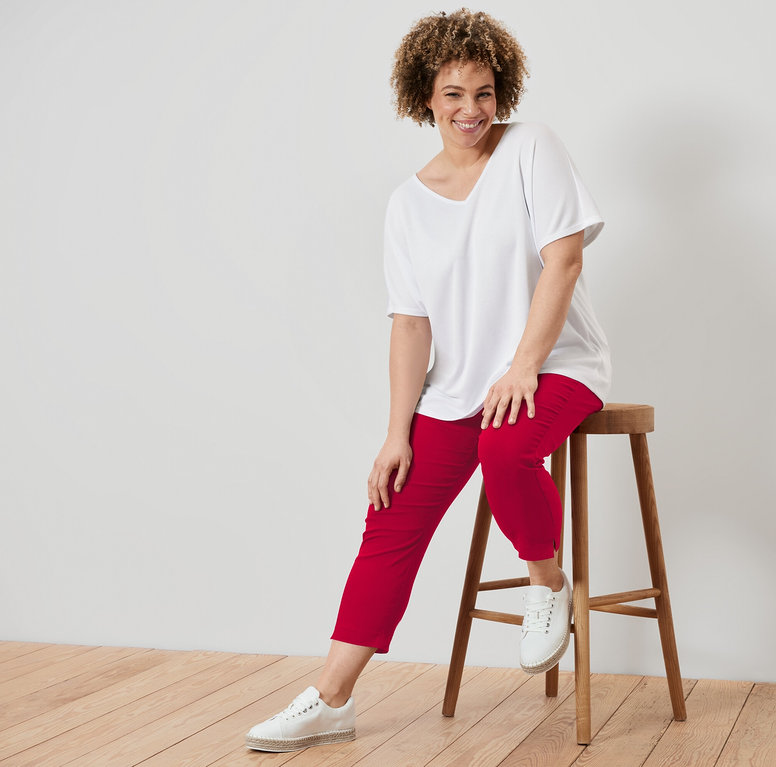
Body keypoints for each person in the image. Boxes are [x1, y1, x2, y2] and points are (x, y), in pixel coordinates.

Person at [245, 8, 611, 753]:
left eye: (482, 92)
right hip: (458, 387)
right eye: (452, 94)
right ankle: (332, 696)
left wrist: (523, 365)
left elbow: (564, 261)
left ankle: (547, 582)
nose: (470, 110)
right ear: (424, 97)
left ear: (502, 90)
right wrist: (395, 431)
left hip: (557, 367)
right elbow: (410, 325)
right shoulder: (407, 204)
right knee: (389, 519)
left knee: (507, 449)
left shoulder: (532, 148)